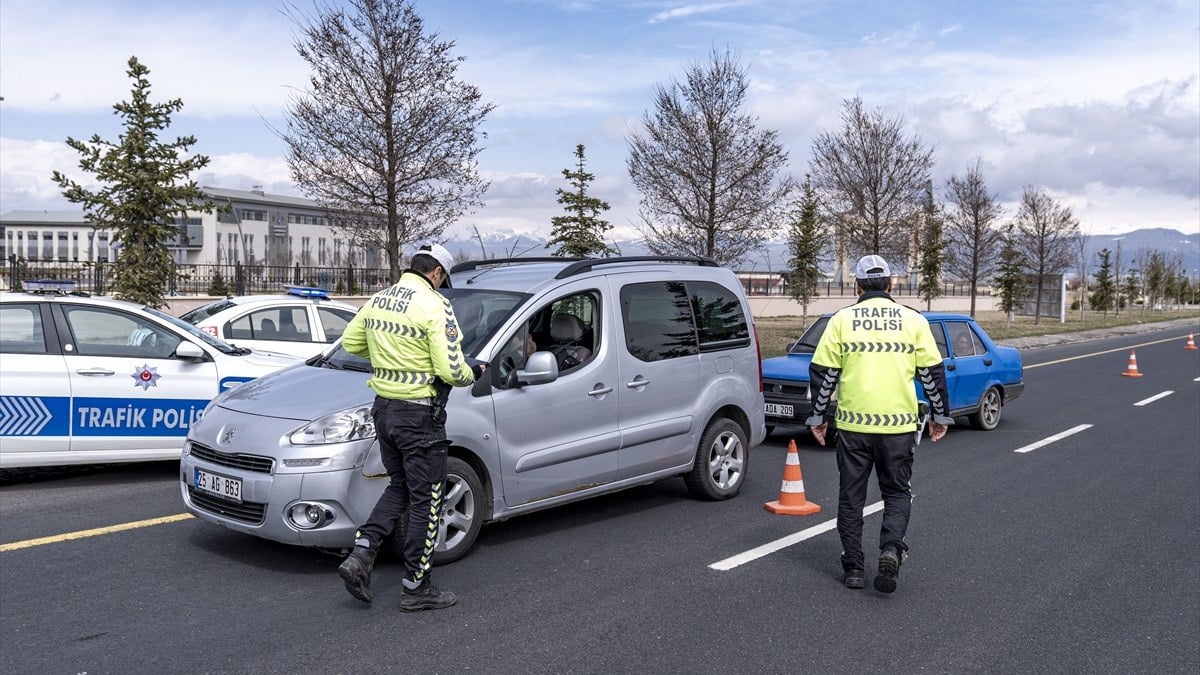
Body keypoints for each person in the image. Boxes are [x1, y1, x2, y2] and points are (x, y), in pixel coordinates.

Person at [337, 243, 487, 612]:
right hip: (420, 416)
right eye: (442, 279)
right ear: (436, 272)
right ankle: (416, 588)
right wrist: (475, 371)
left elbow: (352, 342)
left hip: (384, 410)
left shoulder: (380, 299)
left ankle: (362, 553)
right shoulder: (434, 305)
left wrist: (392, 361)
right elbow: (452, 370)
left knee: (400, 487)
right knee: (428, 500)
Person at [806, 254, 953, 594]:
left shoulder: (841, 320)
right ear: (890, 284)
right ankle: (891, 548)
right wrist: (940, 415)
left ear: (856, 285)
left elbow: (824, 373)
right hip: (898, 428)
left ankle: (854, 568)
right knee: (897, 493)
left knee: (851, 497)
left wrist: (817, 417)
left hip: (853, 427)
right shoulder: (912, 320)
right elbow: (931, 372)